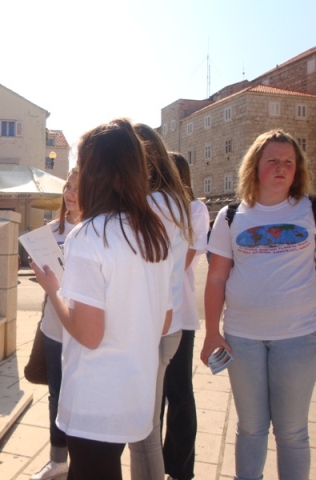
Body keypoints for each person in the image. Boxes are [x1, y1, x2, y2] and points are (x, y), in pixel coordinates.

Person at [33, 118, 173, 479]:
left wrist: (53, 289)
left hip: (95, 398)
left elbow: (89, 334)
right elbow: (165, 319)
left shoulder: (89, 236)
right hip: (135, 392)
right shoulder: (155, 233)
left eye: (82, 166)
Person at [200, 130, 316, 480]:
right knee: (250, 428)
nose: (281, 168)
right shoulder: (231, 215)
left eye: (289, 162)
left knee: (292, 430)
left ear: (298, 169)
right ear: (254, 166)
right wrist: (211, 332)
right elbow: (216, 278)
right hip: (242, 338)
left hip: (299, 337)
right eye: (273, 161)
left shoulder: (311, 210)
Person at [128, 124, 191, 480]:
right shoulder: (170, 202)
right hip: (164, 327)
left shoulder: (153, 205)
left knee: (144, 433)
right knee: (144, 430)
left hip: (154, 329)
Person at [161, 152, 210, 480]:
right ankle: (153, 464)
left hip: (181, 314)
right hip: (153, 316)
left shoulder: (195, 210)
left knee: (178, 392)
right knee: (153, 399)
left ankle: (179, 470)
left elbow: (185, 259)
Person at [31, 167, 81, 480]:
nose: (69, 193)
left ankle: (83, 457)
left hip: (85, 328)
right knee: (57, 395)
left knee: (83, 396)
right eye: (67, 187)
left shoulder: (97, 230)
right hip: (54, 327)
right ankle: (58, 458)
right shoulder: (50, 231)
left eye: (76, 187)